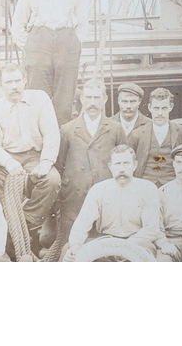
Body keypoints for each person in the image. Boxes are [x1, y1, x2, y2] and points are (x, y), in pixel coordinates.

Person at [11, 0, 88, 126]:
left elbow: (83, 24)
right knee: (37, 98)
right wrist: (30, 47)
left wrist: (74, 44)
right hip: (38, 49)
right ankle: (38, 148)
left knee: (64, 101)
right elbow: (17, 26)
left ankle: (60, 148)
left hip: (67, 48)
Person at [0, 63, 61, 233]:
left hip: (35, 155)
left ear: (25, 81)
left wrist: (45, 162)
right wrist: (8, 162)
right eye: (8, 82)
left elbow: (51, 133)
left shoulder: (40, 99)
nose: (14, 86)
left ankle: (27, 220)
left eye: (17, 80)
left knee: (52, 180)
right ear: (1, 86)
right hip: (6, 156)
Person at [56, 78, 127, 241]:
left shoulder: (116, 129)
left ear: (105, 99)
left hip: (107, 200)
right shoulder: (67, 130)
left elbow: (124, 165)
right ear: (82, 99)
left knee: (104, 249)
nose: (92, 103)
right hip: (74, 201)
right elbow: (59, 166)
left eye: (96, 98)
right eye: (88, 98)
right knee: (72, 248)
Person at [62, 145, 160, 262]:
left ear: (135, 165)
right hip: (104, 240)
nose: (122, 169)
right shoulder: (98, 189)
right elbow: (82, 223)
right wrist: (75, 245)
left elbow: (151, 229)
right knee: (68, 250)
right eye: (118, 164)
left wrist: (125, 247)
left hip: (136, 242)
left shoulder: (148, 188)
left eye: (126, 163)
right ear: (110, 167)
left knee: (149, 252)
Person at [128, 87, 182, 187]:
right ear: (149, 107)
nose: (160, 113)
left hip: (173, 186)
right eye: (156, 108)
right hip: (145, 185)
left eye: (164, 108)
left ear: (171, 107)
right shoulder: (137, 134)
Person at [155, 143, 182, 262]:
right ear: (174, 164)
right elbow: (156, 224)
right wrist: (164, 243)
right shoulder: (162, 192)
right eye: (179, 163)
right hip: (170, 239)